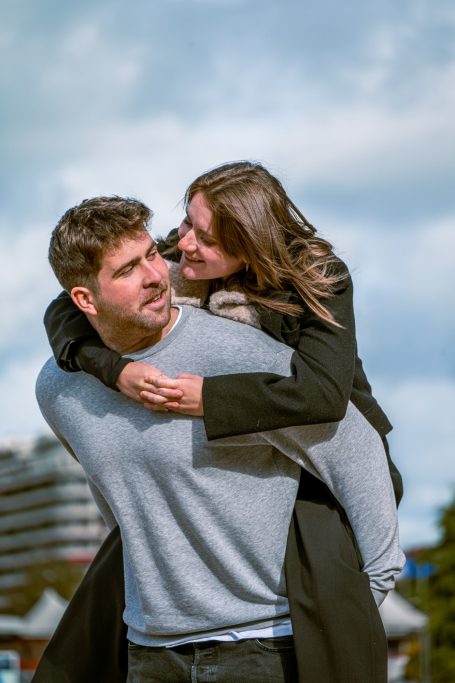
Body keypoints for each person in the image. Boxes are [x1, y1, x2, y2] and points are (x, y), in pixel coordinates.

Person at [35, 196, 404, 683]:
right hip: (149, 653)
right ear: (84, 300)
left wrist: (363, 597)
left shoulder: (242, 352)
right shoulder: (59, 389)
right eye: (127, 270)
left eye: (152, 254)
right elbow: (120, 499)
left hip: (264, 648)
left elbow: (356, 451)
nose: (154, 275)